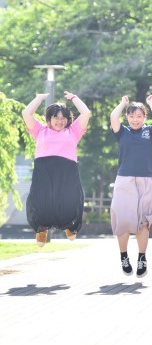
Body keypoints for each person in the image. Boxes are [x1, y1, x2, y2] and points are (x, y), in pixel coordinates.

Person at [23, 91, 91, 247]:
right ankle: (41, 231)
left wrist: (74, 98)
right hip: (44, 170)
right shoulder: (40, 130)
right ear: (49, 119)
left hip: (67, 170)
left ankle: (70, 226)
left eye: (63, 118)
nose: (59, 121)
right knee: (41, 200)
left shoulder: (73, 131)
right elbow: (26, 113)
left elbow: (86, 112)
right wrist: (39, 98)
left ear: (67, 120)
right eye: (56, 117)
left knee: (69, 199)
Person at [110, 95, 152, 278]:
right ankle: (124, 256)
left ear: (144, 117)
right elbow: (113, 118)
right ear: (127, 117)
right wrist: (122, 103)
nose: (135, 119)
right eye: (132, 116)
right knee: (123, 222)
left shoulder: (150, 132)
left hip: (147, 180)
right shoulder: (122, 132)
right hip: (124, 180)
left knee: (144, 224)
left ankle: (142, 258)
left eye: (139, 116)